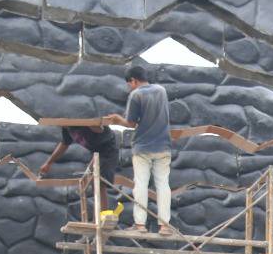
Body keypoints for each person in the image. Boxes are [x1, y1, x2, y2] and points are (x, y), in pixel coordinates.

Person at [102, 64, 172, 233]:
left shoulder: (136, 95)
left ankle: (140, 225)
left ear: (133, 80)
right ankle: (164, 226)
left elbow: (131, 123)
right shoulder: (161, 91)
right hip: (163, 145)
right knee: (163, 185)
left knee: (140, 184)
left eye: (129, 84)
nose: (129, 87)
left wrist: (118, 120)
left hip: (143, 147)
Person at [38, 121, 119, 198]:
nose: (60, 126)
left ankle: (103, 212)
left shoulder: (79, 121)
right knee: (87, 179)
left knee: (98, 182)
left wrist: (87, 122)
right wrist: (48, 163)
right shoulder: (67, 128)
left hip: (108, 149)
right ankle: (96, 210)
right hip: (96, 153)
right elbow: (63, 145)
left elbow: (99, 129)